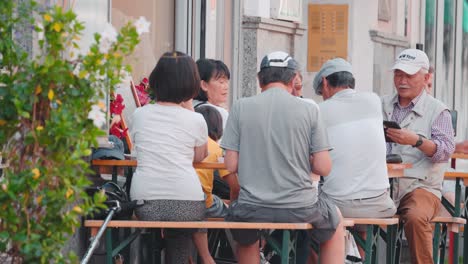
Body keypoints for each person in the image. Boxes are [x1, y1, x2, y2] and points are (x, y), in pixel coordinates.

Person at [221, 51, 345, 264]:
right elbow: (324, 167)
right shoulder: (309, 109)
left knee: (245, 235)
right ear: (293, 79)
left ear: (260, 79)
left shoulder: (241, 107)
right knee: (336, 223)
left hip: (253, 206)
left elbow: (230, 164)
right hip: (301, 207)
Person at [129, 51, 209, 263]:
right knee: (181, 233)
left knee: (153, 232)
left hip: (146, 203)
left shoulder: (139, 114)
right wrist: (189, 106)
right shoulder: (196, 119)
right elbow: (200, 156)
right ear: (192, 84)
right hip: (187, 202)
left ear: (156, 80)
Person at [382, 48, 455, 264]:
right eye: (398, 74)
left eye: (409, 75)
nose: (402, 81)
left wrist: (416, 141)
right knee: (349, 212)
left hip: (420, 186)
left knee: (415, 217)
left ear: (427, 78)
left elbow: (444, 152)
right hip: (381, 185)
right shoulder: (381, 104)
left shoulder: (438, 111)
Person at [312, 58, 396, 218]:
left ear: (324, 83)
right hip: (379, 204)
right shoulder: (373, 100)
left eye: (321, 93)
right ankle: (359, 244)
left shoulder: (319, 110)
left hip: (338, 205)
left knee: (309, 207)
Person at [194, 58, 230, 129]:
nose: (226, 87)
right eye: (221, 82)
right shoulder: (220, 114)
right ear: (204, 85)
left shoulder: (188, 107)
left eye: (227, 82)